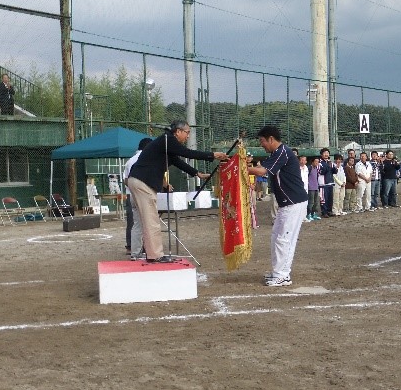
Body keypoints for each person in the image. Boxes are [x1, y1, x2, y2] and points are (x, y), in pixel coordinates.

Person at [126, 120, 228, 263]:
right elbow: (187, 153)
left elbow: (178, 161)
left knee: (148, 220)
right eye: (187, 133)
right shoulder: (168, 140)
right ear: (178, 131)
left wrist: (196, 173)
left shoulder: (166, 144)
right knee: (151, 220)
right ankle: (155, 255)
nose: (187, 136)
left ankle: (151, 254)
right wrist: (212, 155)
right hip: (143, 183)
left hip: (139, 182)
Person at [247, 125, 308, 286]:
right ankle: (278, 272)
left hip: (294, 202)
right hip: (287, 203)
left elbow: (261, 172)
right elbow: (261, 167)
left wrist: (241, 168)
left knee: (284, 240)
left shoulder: (283, 152)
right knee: (276, 238)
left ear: (271, 139)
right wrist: (246, 164)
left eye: (262, 141)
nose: (261, 145)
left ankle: (283, 275)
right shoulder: (277, 153)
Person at [123, 137, 153, 259]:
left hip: (131, 194)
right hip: (144, 194)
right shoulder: (148, 159)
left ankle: (135, 252)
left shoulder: (129, 161)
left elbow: (125, 180)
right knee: (148, 223)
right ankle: (149, 251)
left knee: (135, 224)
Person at [319, 148, 337, 217]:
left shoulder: (330, 162)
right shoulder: (320, 163)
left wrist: (334, 167)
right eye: (325, 153)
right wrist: (328, 167)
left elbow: (335, 172)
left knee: (330, 198)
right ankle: (324, 212)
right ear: (321, 154)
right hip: (323, 183)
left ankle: (329, 210)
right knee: (323, 198)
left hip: (330, 182)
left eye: (327, 153)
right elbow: (321, 172)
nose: (326, 154)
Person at [306, 156, 322, 221]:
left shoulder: (316, 169)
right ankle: (308, 214)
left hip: (316, 187)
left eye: (318, 162)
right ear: (312, 162)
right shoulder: (309, 168)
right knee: (311, 202)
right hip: (310, 188)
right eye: (315, 161)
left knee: (316, 202)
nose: (317, 163)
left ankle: (314, 214)